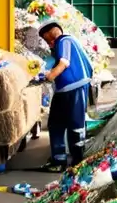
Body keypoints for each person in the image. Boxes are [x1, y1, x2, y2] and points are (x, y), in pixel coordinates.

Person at [35, 19, 93, 172]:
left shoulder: (65, 40)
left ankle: (77, 161)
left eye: (45, 38)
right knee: (55, 124)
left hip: (73, 88)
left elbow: (64, 63)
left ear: (51, 32)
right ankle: (59, 159)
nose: (47, 43)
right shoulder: (64, 44)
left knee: (75, 125)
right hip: (66, 90)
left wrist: (50, 76)